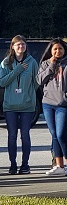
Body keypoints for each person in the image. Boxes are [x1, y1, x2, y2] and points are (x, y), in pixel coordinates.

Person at [37, 38, 67, 177]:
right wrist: (51, 66)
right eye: (55, 49)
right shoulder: (45, 63)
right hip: (48, 104)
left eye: (60, 48)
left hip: (65, 105)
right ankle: (59, 165)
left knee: (61, 134)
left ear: (64, 49)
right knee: (54, 135)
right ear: (51, 51)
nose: (58, 51)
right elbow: (39, 80)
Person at [0, 36, 38, 175]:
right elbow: (2, 82)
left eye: (22, 44)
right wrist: (17, 70)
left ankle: (25, 164)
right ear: (13, 47)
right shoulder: (6, 63)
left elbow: (36, 81)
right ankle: (13, 164)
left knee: (25, 135)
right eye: (17, 45)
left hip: (27, 105)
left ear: (26, 46)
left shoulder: (32, 62)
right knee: (12, 136)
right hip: (10, 105)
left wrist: (29, 93)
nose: (20, 47)